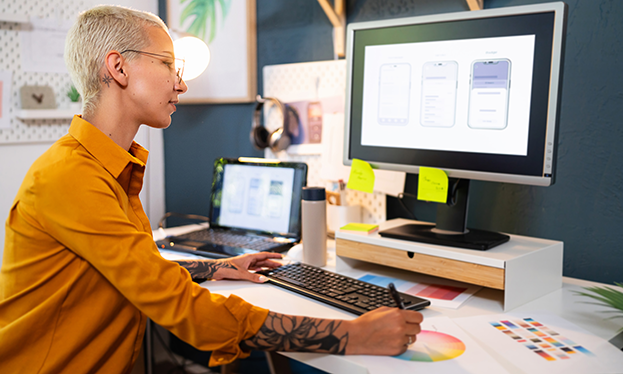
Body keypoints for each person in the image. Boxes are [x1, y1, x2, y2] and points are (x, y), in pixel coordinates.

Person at [0, 5, 423, 373]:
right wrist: (351, 335)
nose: (181, 84)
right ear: (119, 67)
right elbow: (183, 308)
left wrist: (212, 268)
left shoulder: (106, 166)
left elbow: (132, 272)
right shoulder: (71, 177)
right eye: (168, 64)